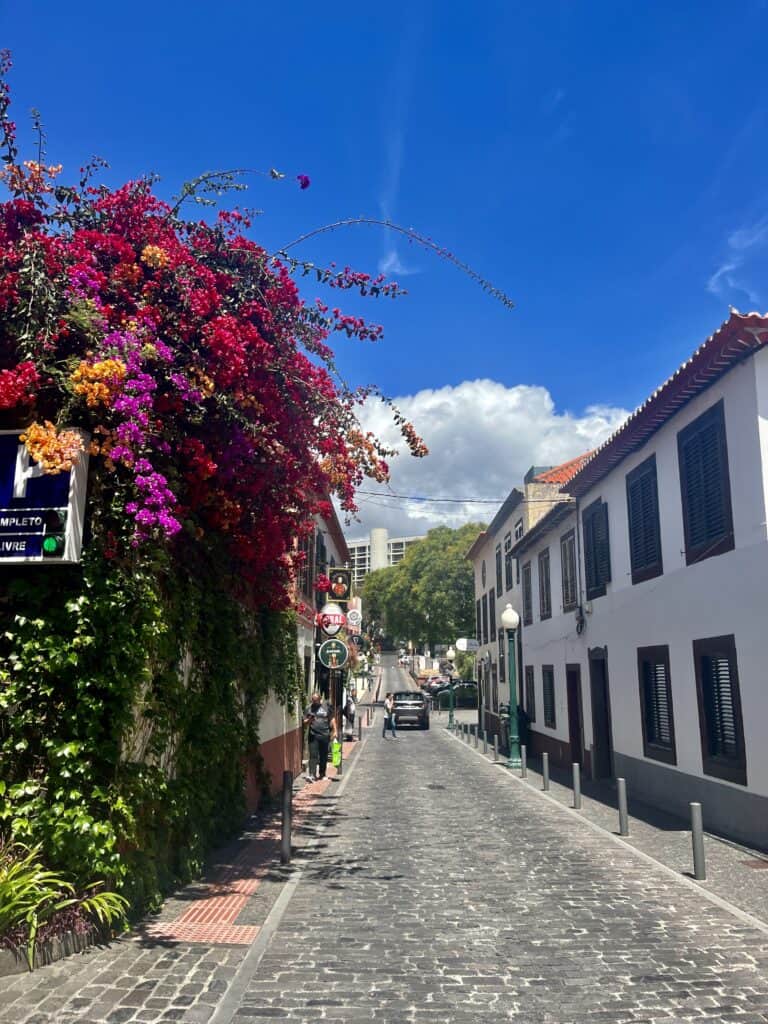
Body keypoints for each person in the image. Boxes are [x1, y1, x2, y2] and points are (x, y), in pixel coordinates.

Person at [303, 692, 337, 781]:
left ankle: (322, 774)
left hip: (325, 735)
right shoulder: (309, 708)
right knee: (313, 755)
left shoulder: (326, 707)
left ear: (319, 699)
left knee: (323, 756)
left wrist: (335, 730)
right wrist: (309, 720)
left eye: (316, 701)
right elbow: (305, 723)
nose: (314, 702)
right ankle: (312, 774)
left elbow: (332, 718)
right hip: (313, 735)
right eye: (313, 700)